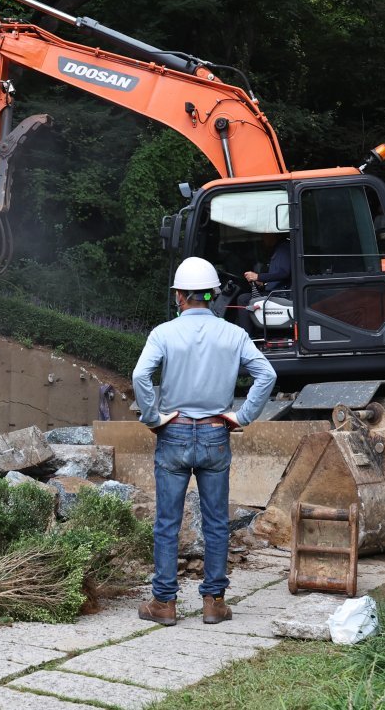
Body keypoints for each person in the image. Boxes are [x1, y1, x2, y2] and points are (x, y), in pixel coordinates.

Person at [132, 257, 277, 625]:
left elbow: (140, 375)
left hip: (174, 432)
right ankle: (214, 603)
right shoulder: (234, 334)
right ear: (212, 295)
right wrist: (242, 416)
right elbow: (266, 374)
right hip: (216, 432)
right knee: (215, 522)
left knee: (167, 522)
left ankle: (164, 604)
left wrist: (152, 417)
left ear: (180, 296)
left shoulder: (163, 334)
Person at [235, 232, 291, 335]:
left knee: (243, 299)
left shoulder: (284, 248)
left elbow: (284, 273)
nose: (263, 238)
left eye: (265, 235)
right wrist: (263, 283)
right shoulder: (280, 248)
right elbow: (278, 277)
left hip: (282, 295)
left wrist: (258, 276)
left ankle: (247, 337)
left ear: (273, 235)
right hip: (276, 292)